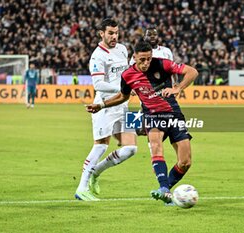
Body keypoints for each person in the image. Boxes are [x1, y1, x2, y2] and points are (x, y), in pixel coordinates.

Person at [86, 41, 199, 205]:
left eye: (148, 59)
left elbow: (192, 72)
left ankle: (165, 189)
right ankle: (164, 189)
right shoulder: (128, 75)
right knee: (156, 145)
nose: (146, 63)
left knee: (185, 162)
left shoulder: (162, 64)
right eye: (142, 60)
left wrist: (179, 87)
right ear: (134, 58)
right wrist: (101, 105)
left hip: (173, 114)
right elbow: (122, 97)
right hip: (152, 115)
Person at [75, 18, 137, 201]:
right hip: (105, 106)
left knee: (131, 148)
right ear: (101, 33)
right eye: (110, 33)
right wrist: (123, 88)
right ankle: (81, 188)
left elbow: (126, 73)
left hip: (123, 104)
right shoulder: (97, 56)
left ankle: (96, 172)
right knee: (101, 145)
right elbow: (98, 83)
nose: (114, 36)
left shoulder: (122, 49)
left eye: (116, 32)